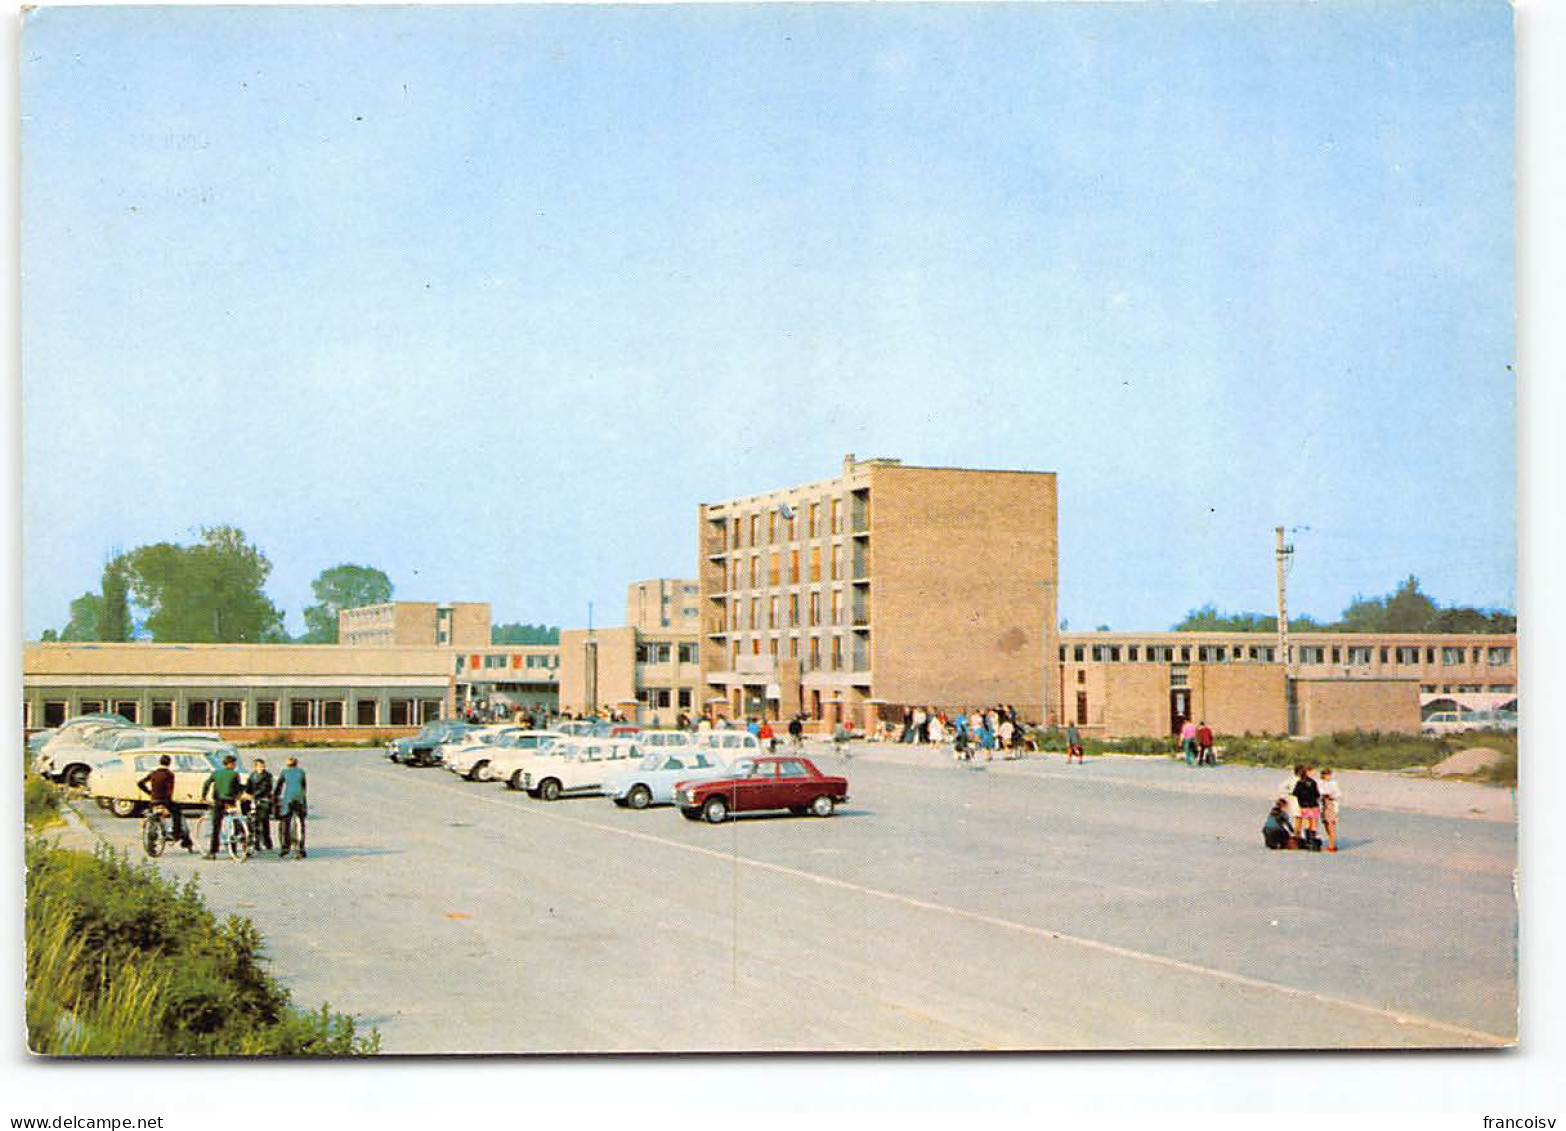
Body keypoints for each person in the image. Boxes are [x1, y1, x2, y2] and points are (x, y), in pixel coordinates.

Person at [136, 753, 192, 850]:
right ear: (169, 763)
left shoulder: (153, 773)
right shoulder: (169, 774)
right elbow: (170, 789)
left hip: (153, 801)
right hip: (165, 801)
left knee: (151, 814)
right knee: (176, 813)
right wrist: (168, 800)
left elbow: (140, 783)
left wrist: (149, 792)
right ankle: (177, 833)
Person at [200, 753, 245, 859]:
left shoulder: (216, 773)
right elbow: (237, 787)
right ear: (231, 764)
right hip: (230, 802)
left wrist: (203, 796)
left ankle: (213, 852)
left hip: (218, 801)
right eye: (234, 763)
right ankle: (233, 851)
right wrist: (240, 794)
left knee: (216, 827)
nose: (235, 765)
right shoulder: (235, 775)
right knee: (233, 824)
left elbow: (207, 784)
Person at [274, 756, 308, 860]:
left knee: (286, 821)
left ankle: (285, 848)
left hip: (288, 799)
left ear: (287, 765)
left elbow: (279, 786)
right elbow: (304, 786)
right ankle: (301, 848)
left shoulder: (284, 772)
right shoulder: (301, 772)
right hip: (300, 799)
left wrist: (275, 796)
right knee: (301, 822)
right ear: (297, 764)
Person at [245, 757, 276, 853]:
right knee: (254, 822)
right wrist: (247, 793)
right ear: (255, 767)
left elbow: (266, 787)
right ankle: (256, 843)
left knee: (264, 822)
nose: (262, 768)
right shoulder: (252, 775)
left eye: (263, 766)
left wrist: (255, 795)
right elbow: (248, 787)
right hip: (254, 801)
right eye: (259, 766)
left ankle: (267, 842)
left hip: (264, 800)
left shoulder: (267, 776)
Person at [1292, 766, 1322, 849]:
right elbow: (1317, 794)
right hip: (1313, 805)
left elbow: (1295, 793)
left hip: (1304, 806)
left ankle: (1308, 841)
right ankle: (1312, 841)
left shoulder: (1300, 782)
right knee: (1313, 824)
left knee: (1307, 823)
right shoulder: (1312, 782)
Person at [1318, 768, 1341, 852]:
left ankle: (1332, 845)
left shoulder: (1333, 783)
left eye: (1329, 775)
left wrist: (1331, 795)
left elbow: (1338, 794)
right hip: (1324, 805)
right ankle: (1331, 843)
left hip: (1331, 804)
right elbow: (1319, 792)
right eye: (1327, 774)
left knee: (1330, 824)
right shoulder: (1320, 783)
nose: (1328, 776)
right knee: (1326, 824)